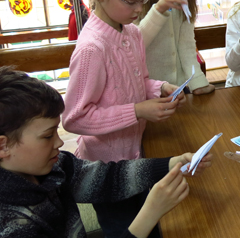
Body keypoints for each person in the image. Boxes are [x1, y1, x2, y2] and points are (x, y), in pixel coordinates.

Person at [0, 66, 213, 238]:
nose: (59, 142)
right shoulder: (12, 226)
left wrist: (171, 163)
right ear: (3, 146)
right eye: (47, 136)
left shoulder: (55, 167)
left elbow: (107, 177)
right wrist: (149, 215)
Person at [62, 0, 186, 238]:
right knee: (124, 229)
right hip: (106, 171)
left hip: (136, 154)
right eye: (131, 1)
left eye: (143, 0)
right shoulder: (92, 48)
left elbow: (137, 82)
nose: (139, 9)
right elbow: (74, 118)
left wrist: (159, 88)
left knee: (150, 223)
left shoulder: (131, 33)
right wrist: (138, 111)